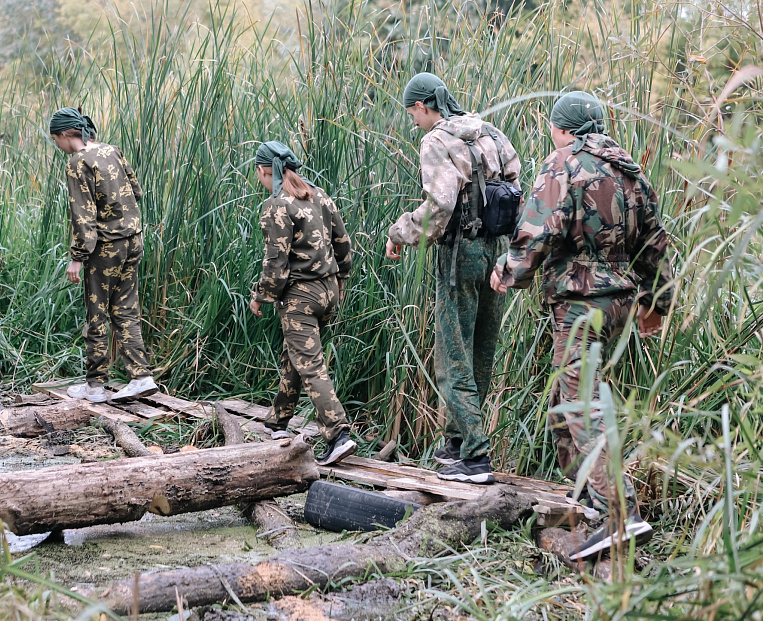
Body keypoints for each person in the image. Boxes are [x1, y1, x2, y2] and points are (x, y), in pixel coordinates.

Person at [490, 90, 672, 559]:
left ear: (565, 129)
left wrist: (509, 270)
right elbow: (655, 242)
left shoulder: (564, 164)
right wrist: (657, 303)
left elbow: (538, 230)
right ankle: (590, 502)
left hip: (580, 303)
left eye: (553, 127)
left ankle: (619, 514)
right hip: (620, 302)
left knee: (581, 403)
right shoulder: (631, 171)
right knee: (562, 402)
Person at [385, 72, 521, 484]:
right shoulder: (492, 134)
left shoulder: (436, 141)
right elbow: (516, 191)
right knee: (481, 347)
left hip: (461, 253)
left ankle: (476, 457)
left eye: (412, 113)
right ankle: (458, 442)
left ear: (423, 106)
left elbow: (438, 209)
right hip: (498, 250)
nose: (414, 121)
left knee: (452, 355)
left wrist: (398, 232)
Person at [249, 142, 355, 466]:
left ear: (264, 171)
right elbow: (343, 242)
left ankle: (338, 434)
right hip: (328, 291)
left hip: (300, 297)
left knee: (310, 364)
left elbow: (275, 264)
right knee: (295, 353)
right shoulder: (319, 195)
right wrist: (341, 277)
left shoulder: (277, 205)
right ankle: (278, 421)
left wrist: (260, 295)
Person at [50, 107, 159, 403]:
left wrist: (77, 257)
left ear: (64, 134)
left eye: (55, 139)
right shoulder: (112, 150)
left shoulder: (77, 162)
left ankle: (95, 386)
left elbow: (82, 215)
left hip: (106, 248)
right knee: (126, 310)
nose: (56, 145)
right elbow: (136, 191)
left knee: (97, 314)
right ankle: (141, 377)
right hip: (133, 240)